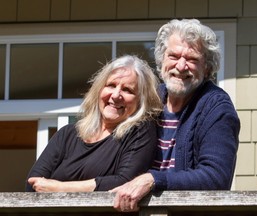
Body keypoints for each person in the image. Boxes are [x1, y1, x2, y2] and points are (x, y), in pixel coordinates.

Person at [111, 19, 240, 212]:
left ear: (207, 68)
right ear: (162, 60)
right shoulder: (149, 98)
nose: (181, 66)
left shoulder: (216, 106)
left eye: (192, 59)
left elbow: (216, 177)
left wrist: (154, 179)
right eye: (173, 56)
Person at [25, 55, 162, 192]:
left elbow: (124, 182)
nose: (115, 95)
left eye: (127, 90)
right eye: (111, 85)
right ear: (98, 90)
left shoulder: (140, 133)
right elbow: (33, 184)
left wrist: (59, 187)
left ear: (140, 101)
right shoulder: (67, 134)